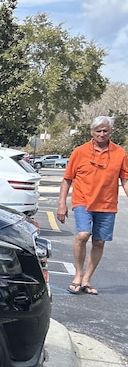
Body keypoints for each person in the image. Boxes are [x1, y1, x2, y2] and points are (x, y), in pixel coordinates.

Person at [56, 116, 128, 294]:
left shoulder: (120, 153)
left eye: (105, 131)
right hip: (83, 202)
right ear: (92, 132)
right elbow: (67, 180)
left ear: (111, 132)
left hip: (107, 205)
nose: (102, 134)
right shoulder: (80, 152)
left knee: (99, 242)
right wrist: (61, 205)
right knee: (83, 235)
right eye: (98, 131)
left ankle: (87, 279)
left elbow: (125, 180)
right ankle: (78, 275)